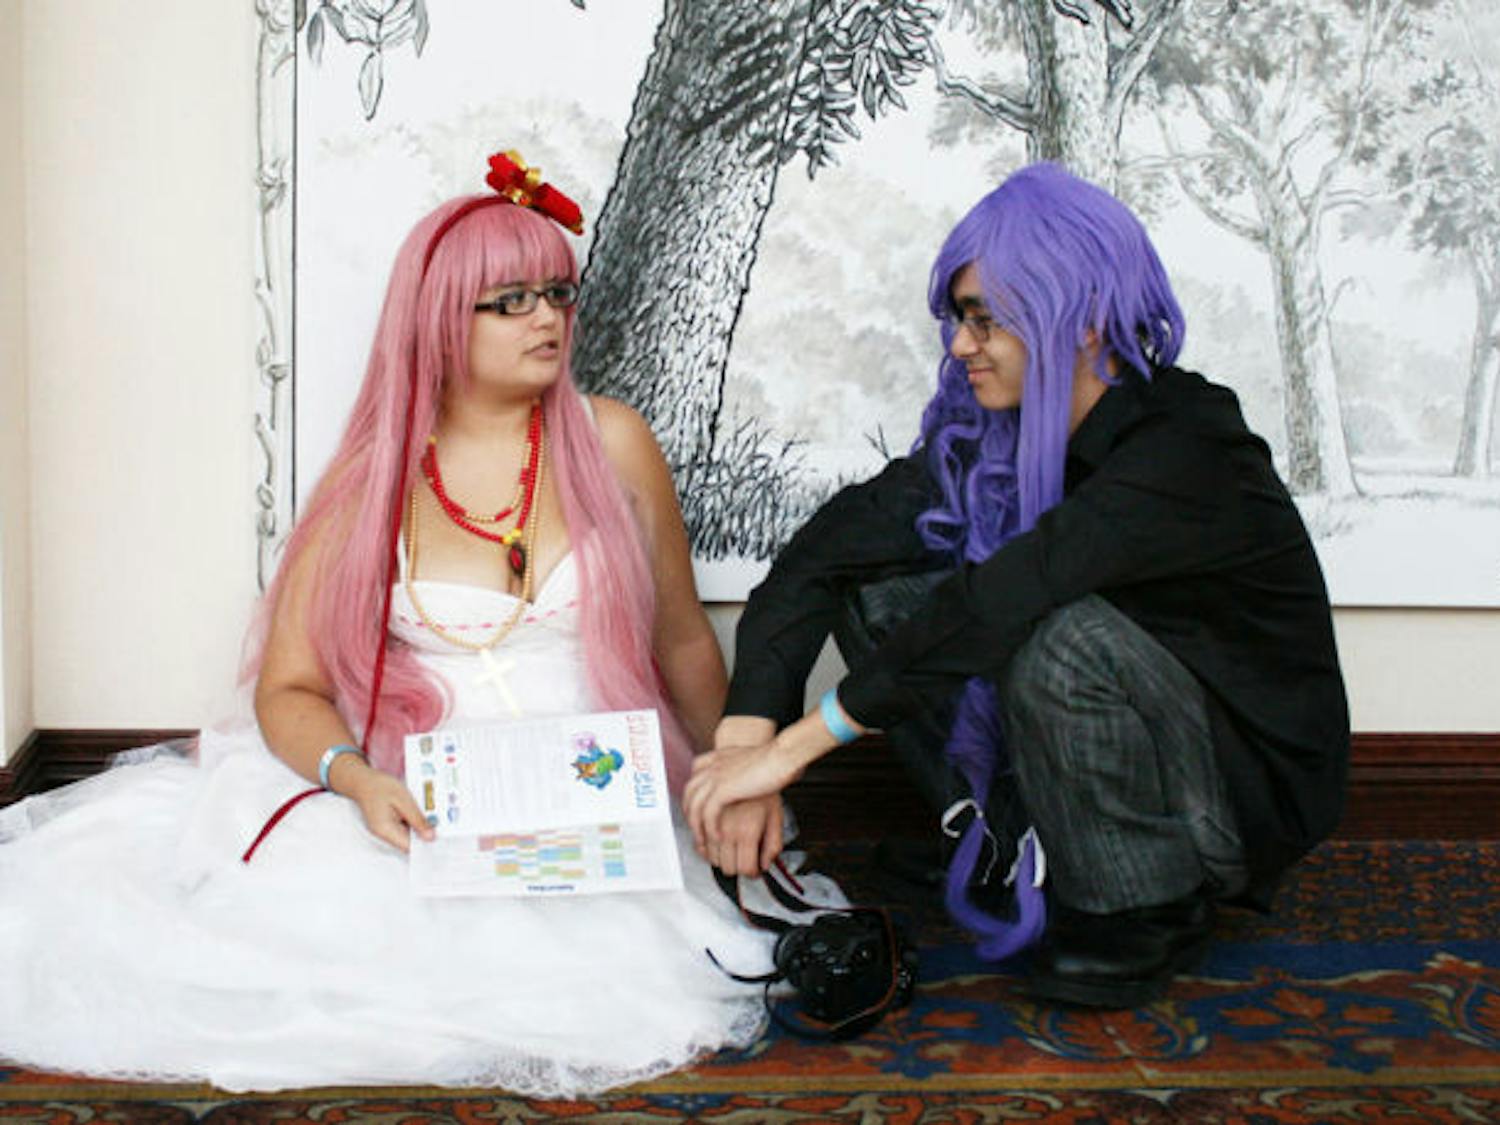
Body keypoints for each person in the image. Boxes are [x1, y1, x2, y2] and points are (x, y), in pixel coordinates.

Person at [0, 152, 829, 1093]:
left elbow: (682, 637)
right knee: (314, 965)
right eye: (510, 300)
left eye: (557, 291)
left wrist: (734, 770)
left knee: (640, 969)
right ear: (440, 318)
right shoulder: (371, 484)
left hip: (595, 786)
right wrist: (355, 781)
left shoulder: (615, 441)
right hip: (429, 793)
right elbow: (290, 687)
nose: (548, 317)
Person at [685, 162, 1350, 1010]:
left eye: (985, 319)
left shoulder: (1187, 443)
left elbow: (1015, 593)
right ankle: (1014, 840)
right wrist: (747, 747)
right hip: (1101, 734)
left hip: (1228, 796)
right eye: (959, 319)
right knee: (882, 597)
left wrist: (793, 750)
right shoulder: (988, 439)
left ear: (1080, 319)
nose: (960, 346)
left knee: (1053, 633)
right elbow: (823, 554)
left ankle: (1144, 905)